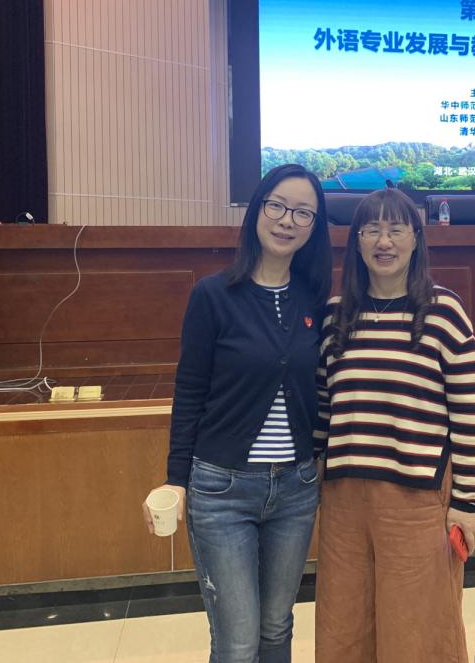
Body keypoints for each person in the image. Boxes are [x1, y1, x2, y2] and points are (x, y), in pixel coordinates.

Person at [142, 164, 331, 663]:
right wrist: (176, 479)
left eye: (303, 213)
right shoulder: (213, 295)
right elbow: (190, 391)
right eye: (278, 205)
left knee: (276, 627)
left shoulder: (315, 299)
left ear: (314, 227)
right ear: (257, 210)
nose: (287, 220)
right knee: (239, 640)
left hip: (296, 489)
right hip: (222, 488)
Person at [314, 187, 475, 663]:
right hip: (344, 500)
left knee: (418, 630)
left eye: (395, 229)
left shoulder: (444, 312)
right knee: (344, 625)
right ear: (357, 241)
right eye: (371, 229)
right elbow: (324, 411)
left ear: (415, 239)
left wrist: (468, 503)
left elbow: (468, 416)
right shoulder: (335, 315)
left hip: (417, 498)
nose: (383, 241)